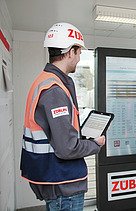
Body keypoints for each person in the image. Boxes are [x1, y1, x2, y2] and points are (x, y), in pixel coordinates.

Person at [20, 22, 105, 211]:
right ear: (69, 52)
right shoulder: (54, 90)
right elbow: (67, 149)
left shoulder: (46, 81)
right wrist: (95, 144)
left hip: (55, 179)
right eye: (79, 52)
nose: (79, 58)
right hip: (63, 184)